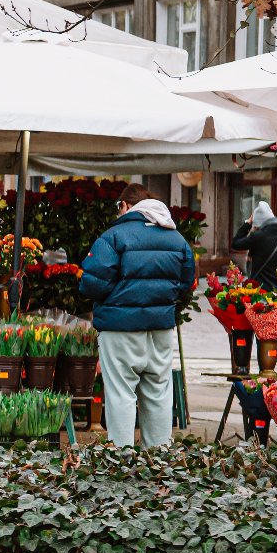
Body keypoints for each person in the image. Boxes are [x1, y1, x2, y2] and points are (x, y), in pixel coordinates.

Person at [79, 185, 196, 448]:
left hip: (119, 329)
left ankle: (121, 457)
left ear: (125, 206)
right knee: (158, 393)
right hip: (160, 328)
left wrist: (118, 293)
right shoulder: (176, 239)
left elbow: (92, 284)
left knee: (121, 393)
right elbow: (186, 283)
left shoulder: (113, 237)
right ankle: (158, 459)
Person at [232, 200, 277, 291]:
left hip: (260, 292)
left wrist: (247, 223)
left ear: (257, 223)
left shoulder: (257, 237)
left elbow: (236, 244)